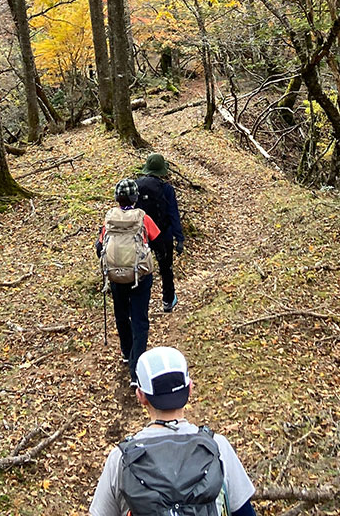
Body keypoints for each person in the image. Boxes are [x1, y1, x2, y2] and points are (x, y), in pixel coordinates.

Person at [89, 346, 257, 516]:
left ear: (140, 396)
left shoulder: (120, 459)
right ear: (190, 388)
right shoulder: (218, 447)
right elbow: (245, 513)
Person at [97, 178, 160, 387]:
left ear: (117, 198)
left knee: (122, 314)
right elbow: (157, 240)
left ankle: (126, 351)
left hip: (116, 276)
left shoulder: (110, 219)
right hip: (140, 276)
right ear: (135, 198)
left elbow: (99, 247)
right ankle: (136, 370)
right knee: (140, 319)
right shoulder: (143, 218)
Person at [134, 153, 184, 312]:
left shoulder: (135, 186)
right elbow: (173, 213)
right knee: (166, 268)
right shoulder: (167, 189)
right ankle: (168, 301)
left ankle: (138, 304)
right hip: (163, 234)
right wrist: (179, 238)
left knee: (139, 268)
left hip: (141, 235)